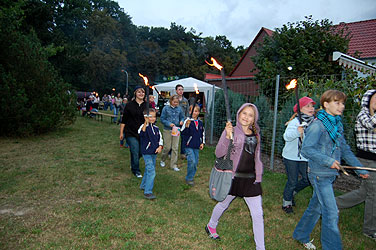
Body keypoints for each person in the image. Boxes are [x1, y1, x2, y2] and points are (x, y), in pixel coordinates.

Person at [292, 90, 369, 250]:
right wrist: (328, 161)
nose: (341, 106)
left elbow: (345, 149)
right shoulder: (317, 125)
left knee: (316, 207)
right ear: (326, 104)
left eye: (342, 103)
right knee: (331, 212)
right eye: (337, 102)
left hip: (329, 175)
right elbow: (307, 149)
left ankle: (300, 234)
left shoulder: (336, 124)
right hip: (319, 175)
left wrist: (358, 168)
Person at [205, 103, 265, 250]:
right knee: (223, 204)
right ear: (238, 114)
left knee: (258, 214)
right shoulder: (231, 131)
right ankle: (211, 226)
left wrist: (259, 173)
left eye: (250, 115)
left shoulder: (256, 133)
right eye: (244, 113)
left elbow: (256, 155)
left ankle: (260, 247)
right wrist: (227, 136)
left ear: (254, 119)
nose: (246, 117)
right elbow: (219, 153)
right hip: (232, 178)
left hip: (250, 179)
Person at [336, 89, 376, 240]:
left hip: (374, 160)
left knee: (364, 193)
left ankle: (332, 204)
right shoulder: (363, 115)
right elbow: (371, 125)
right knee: (374, 194)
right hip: (367, 160)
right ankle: (370, 230)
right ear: (367, 100)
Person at [282, 97, 316, 214]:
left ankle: (292, 193)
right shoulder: (295, 122)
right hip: (291, 157)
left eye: (312, 106)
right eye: (308, 106)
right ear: (300, 109)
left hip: (304, 157)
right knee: (292, 180)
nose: (311, 108)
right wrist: (298, 131)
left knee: (307, 179)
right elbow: (286, 137)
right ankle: (286, 203)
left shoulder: (313, 122)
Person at [120, 86, 150, 178]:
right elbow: (124, 120)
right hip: (130, 132)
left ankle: (133, 162)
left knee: (141, 151)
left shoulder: (147, 105)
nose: (141, 94)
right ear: (135, 93)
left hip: (143, 132)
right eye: (139, 92)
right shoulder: (129, 105)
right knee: (135, 150)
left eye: (143, 92)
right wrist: (121, 133)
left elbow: (151, 120)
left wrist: (150, 118)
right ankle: (136, 170)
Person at [138, 108, 163, 200]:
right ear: (145, 117)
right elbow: (141, 134)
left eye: (154, 117)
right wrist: (146, 123)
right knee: (151, 171)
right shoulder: (143, 126)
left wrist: (160, 146)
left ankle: (143, 185)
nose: (152, 118)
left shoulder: (156, 129)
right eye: (150, 117)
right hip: (146, 152)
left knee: (148, 170)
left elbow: (160, 139)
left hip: (154, 152)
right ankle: (148, 192)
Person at [181, 104, 205, 186]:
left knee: (195, 163)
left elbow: (202, 133)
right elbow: (183, 133)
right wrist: (187, 126)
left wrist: (202, 142)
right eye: (194, 111)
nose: (195, 113)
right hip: (188, 145)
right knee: (192, 161)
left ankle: (191, 175)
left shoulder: (200, 123)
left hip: (196, 145)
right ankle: (189, 178)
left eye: (197, 111)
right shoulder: (187, 121)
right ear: (190, 112)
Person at [160, 95, 185, 171]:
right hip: (167, 129)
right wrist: (168, 123)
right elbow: (162, 119)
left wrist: (182, 121)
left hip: (176, 129)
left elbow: (182, 117)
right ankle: (163, 159)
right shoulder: (166, 108)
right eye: (174, 102)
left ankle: (173, 165)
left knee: (175, 147)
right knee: (167, 147)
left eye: (177, 102)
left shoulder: (179, 109)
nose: (175, 103)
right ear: (171, 101)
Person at [176, 84, 189, 158]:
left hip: (183, 122)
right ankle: (170, 153)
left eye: (182, 89)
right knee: (174, 138)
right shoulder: (173, 100)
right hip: (175, 122)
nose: (181, 91)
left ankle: (183, 153)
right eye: (179, 89)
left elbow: (187, 111)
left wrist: (186, 120)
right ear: (176, 91)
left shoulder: (185, 101)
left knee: (184, 138)